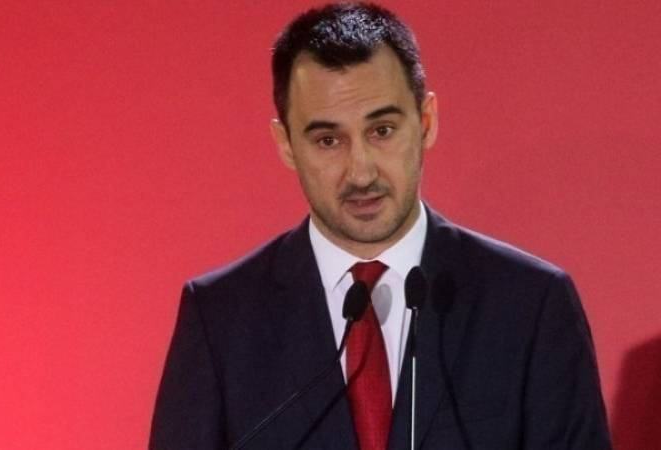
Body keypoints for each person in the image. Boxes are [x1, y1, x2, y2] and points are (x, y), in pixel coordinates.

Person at [150, 3, 611, 449]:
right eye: (328, 140)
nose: (361, 172)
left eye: (382, 131)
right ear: (286, 144)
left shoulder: (530, 305)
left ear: (426, 122)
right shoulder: (221, 320)